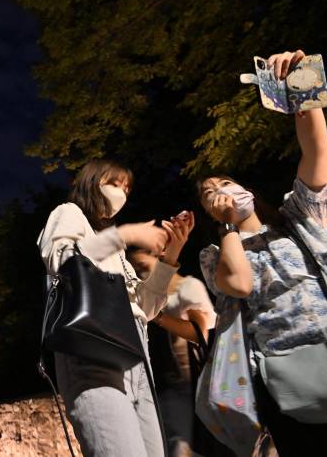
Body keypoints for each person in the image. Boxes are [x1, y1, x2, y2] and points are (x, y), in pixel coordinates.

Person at [197, 49, 327, 457]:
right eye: (209, 195)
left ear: (247, 188)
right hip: (290, 377)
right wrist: (229, 225)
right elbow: (238, 283)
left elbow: (318, 157)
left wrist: (300, 92)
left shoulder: (298, 218)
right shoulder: (217, 251)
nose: (220, 193)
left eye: (225, 183)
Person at [38, 159, 194, 457]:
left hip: (136, 355)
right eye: (114, 183)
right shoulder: (69, 213)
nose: (122, 192)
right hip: (90, 347)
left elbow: (146, 308)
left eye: (127, 188)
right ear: (91, 181)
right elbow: (62, 261)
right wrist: (126, 234)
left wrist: (171, 255)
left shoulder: (115, 246)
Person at [130, 248, 227, 457]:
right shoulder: (151, 297)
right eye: (136, 270)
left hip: (197, 384)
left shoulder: (188, 287)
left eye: (143, 267)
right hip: (170, 384)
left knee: (190, 446)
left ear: (159, 257)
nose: (141, 275)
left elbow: (199, 334)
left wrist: (157, 317)